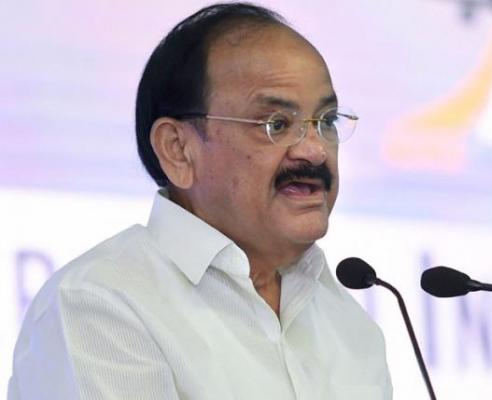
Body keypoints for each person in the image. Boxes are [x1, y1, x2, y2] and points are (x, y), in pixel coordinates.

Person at [8, 3, 392, 399]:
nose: (314, 150)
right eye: (276, 124)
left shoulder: (346, 322)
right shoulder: (101, 303)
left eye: (326, 121)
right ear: (177, 149)